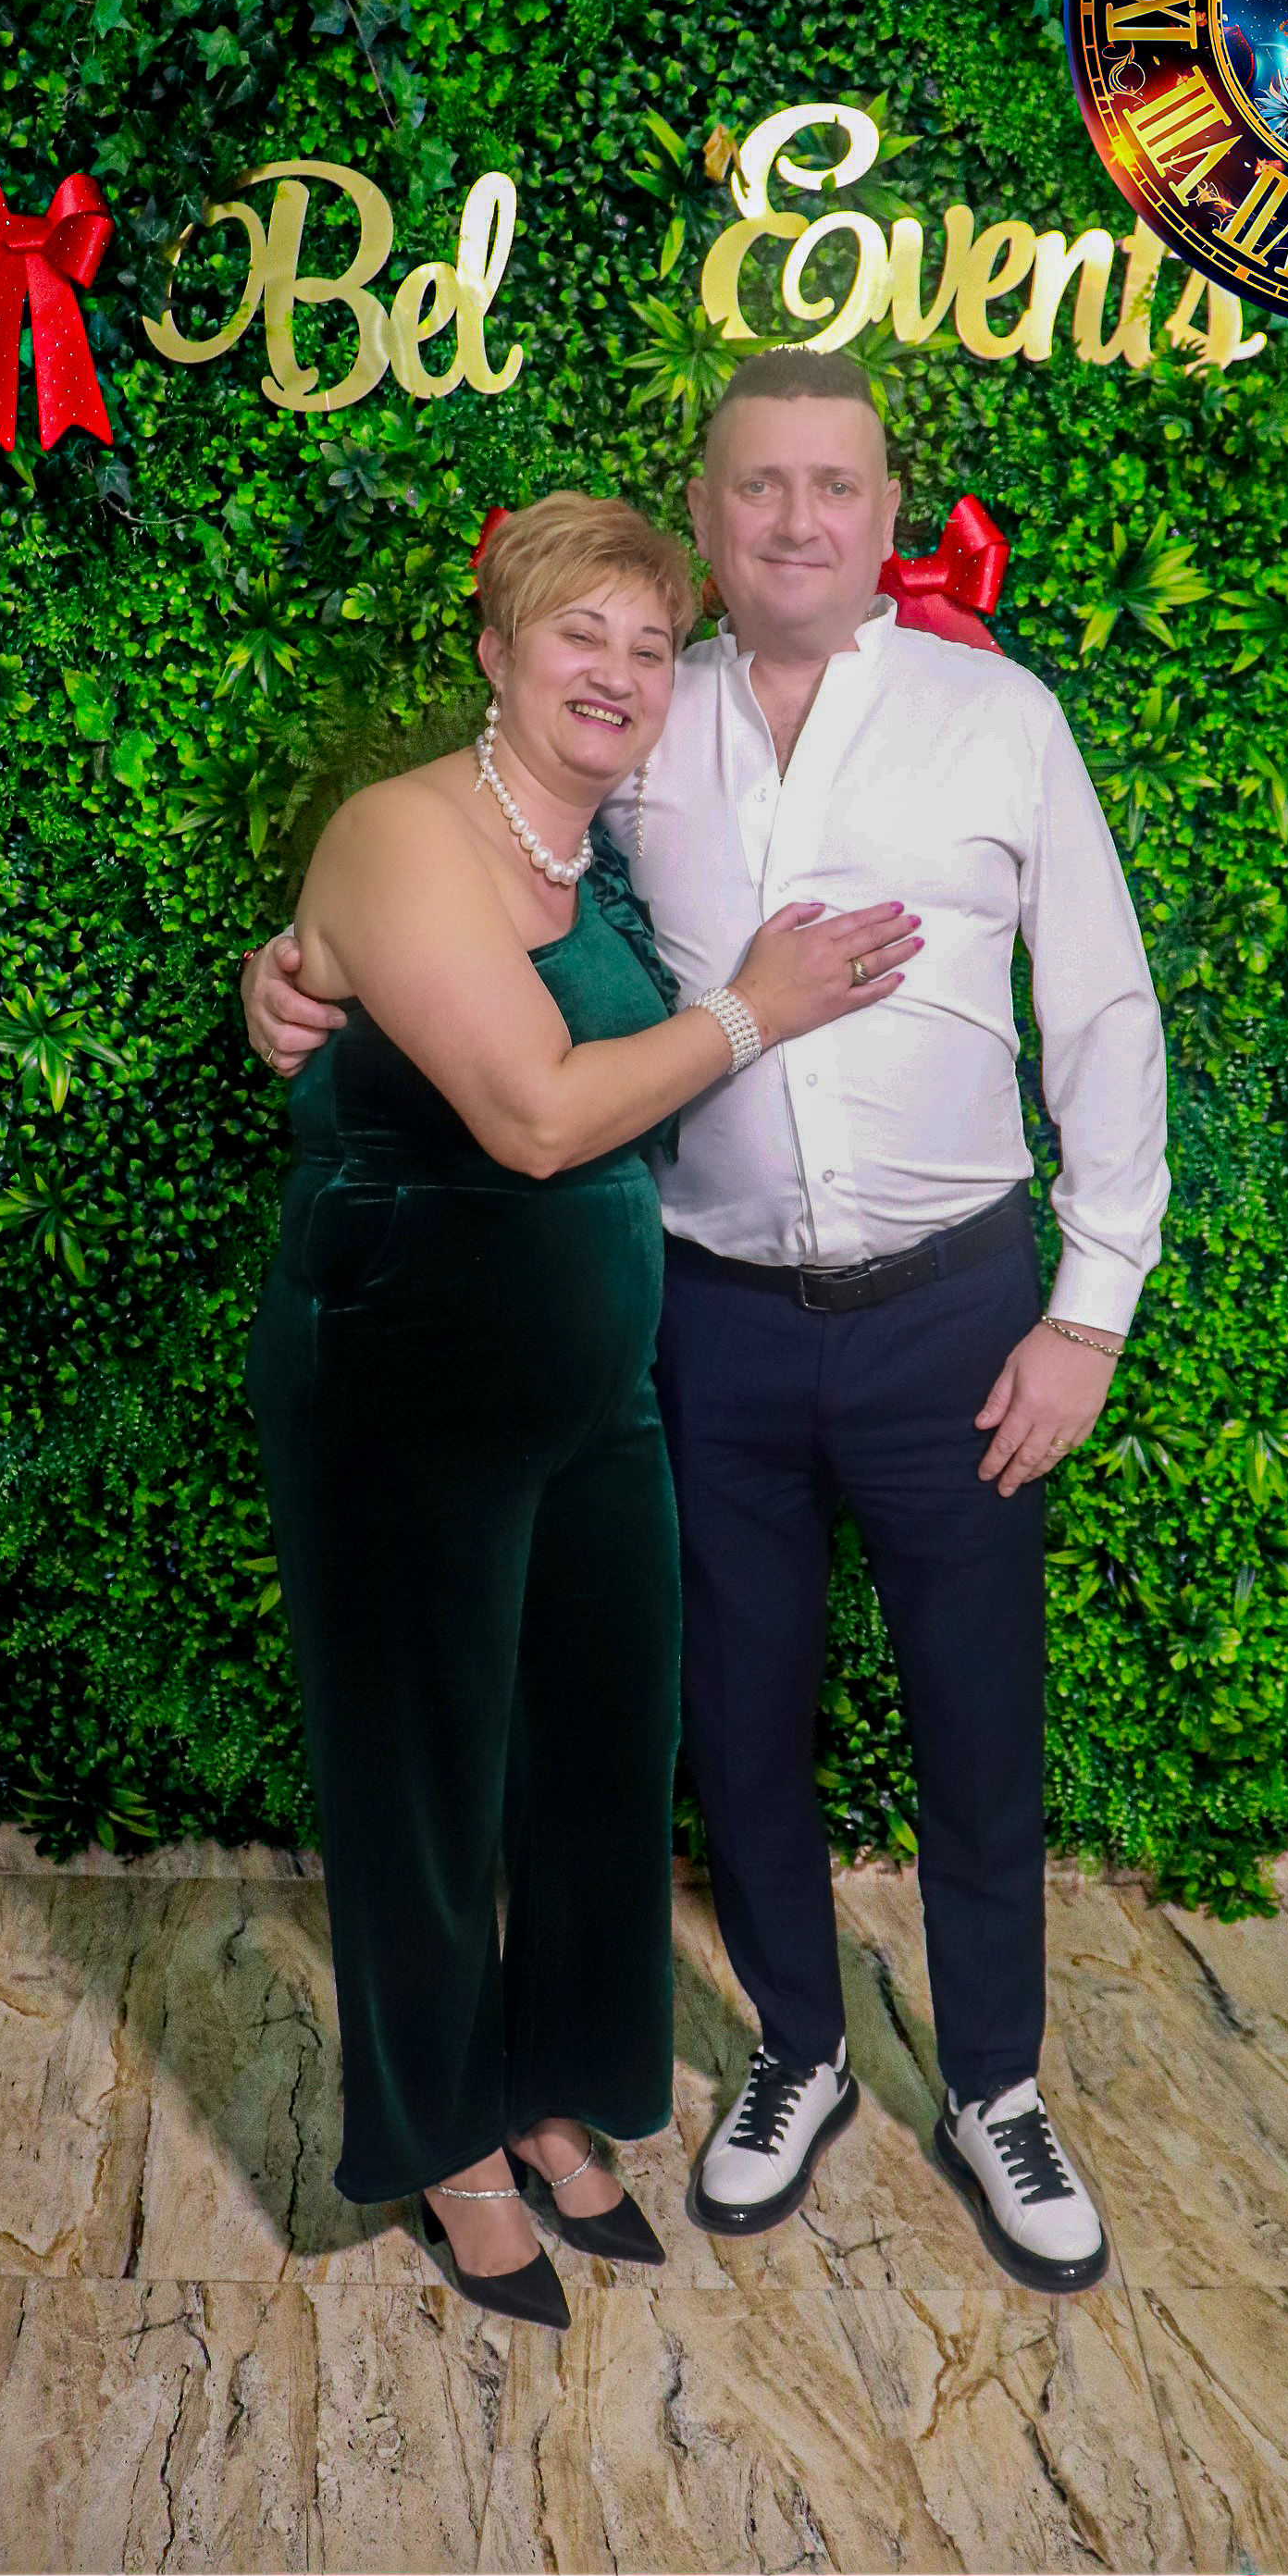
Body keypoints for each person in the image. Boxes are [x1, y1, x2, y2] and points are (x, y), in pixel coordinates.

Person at [246, 357, 1169, 2298]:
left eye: (836, 484)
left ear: (891, 513)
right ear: (708, 511)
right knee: (733, 1721)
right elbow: (468, 901)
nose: (798, 520)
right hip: (707, 1320)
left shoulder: (998, 722)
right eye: (760, 486)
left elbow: (1102, 1015)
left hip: (951, 1307)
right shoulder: (646, 733)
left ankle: (995, 2088)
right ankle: (799, 2051)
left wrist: (1087, 1316)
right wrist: (308, 973)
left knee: (977, 1713)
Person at [243, 487, 921, 2331]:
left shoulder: (591, 855)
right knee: (423, 1776)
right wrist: (762, 1009)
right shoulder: (405, 831)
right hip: (403, 1380)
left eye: (645, 642)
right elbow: (536, 1115)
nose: (616, 672)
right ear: (496, 652)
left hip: (593, 1393)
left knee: (602, 1757)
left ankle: (555, 2091)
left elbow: (372, 1003)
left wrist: (286, 981)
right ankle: (449, 2141)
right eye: (578, 635)